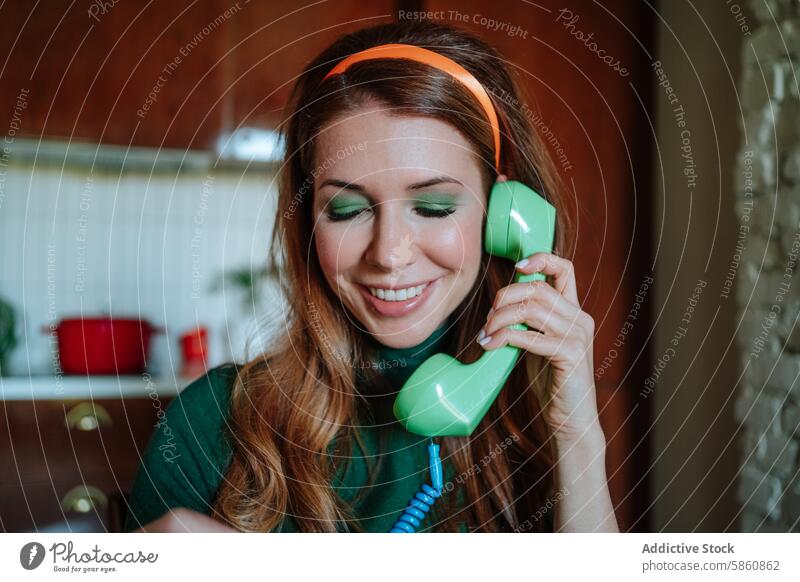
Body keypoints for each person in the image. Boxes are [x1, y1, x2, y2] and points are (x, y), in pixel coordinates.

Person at [124, 20, 618, 533]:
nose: (388, 255)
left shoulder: (541, 423)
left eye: (431, 206)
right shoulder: (212, 425)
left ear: (505, 212)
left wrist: (578, 438)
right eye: (347, 209)